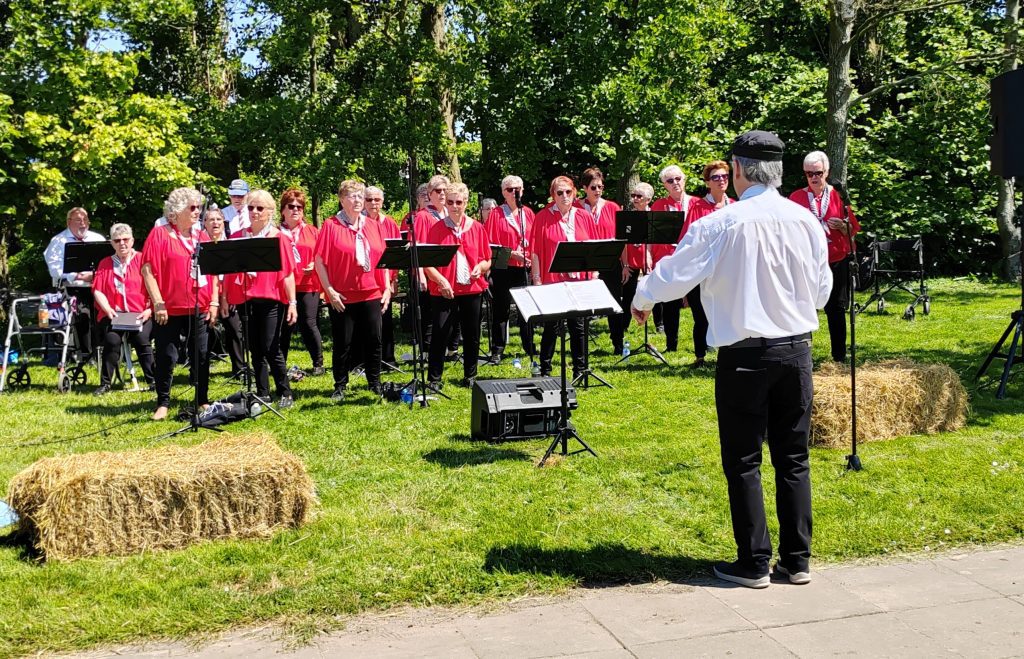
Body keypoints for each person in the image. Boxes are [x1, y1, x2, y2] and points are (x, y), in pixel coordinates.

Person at [632, 130, 832, 588]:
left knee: (744, 459)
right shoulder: (806, 221)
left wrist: (643, 299)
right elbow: (822, 292)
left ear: (738, 170)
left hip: (745, 356)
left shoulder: (722, 223)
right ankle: (797, 559)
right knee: (793, 457)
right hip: (797, 350)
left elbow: (675, 274)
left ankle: (754, 561)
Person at [141, 187, 219, 421]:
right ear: (176, 212)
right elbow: (147, 270)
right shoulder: (160, 234)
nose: (198, 212)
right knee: (166, 355)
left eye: (198, 207)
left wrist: (214, 301)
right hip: (169, 307)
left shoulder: (201, 236)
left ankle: (202, 399)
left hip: (199, 306)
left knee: (202, 353)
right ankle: (163, 402)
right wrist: (158, 302)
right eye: (192, 208)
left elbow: (213, 271)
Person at [314, 180, 390, 403]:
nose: (357, 200)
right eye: (352, 196)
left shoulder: (373, 225)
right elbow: (319, 261)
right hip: (343, 294)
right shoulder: (331, 225)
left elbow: (383, 258)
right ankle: (340, 384)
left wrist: (386, 287)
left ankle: (374, 382)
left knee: (375, 339)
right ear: (341, 199)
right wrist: (329, 290)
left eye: (360, 196)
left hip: (371, 292)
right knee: (343, 341)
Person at [221, 189, 298, 409]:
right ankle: (263, 392)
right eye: (251, 207)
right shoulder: (238, 237)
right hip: (245, 299)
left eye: (260, 208)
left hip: (271, 299)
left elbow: (288, 273)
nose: (254, 212)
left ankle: (285, 392)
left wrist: (292, 303)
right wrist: (225, 298)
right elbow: (227, 272)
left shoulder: (278, 238)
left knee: (271, 347)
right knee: (254, 348)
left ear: (270, 212)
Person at [789, 151, 861, 363]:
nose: (814, 177)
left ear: (827, 172)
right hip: (807, 262)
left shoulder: (837, 195)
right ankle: (803, 355)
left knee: (836, 308)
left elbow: (853, 227)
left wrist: (843, 225)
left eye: (818, 173)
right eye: (809, 173)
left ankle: (839, 356)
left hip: (836, 259)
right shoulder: (796, 197)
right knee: (804, 307)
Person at [424, 182, 492, 387]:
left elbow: (487, 259)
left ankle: (470, 376)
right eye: (451, 202)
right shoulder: (436, 228)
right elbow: (427, 263)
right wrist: (441, 280)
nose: (454, 206)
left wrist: (480, 268)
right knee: (440, 333)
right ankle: (434, 379)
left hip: (471, 289)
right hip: (444, 290)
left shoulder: (477, 227)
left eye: (459, 202)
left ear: (466, 203)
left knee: (471, 334)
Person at [530, 176, 594, 378]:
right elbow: (535, 251)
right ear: (553, 195)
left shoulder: (583, 216)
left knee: (578, 326)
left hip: (579, 280)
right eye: (559, 193)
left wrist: (594, 275)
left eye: (568, 192)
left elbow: (593, 246)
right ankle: (545, 370)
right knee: (552, 326)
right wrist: (537, 279)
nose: (564, 196)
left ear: (574, 192)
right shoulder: (542, 217)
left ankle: (580, 369)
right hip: (553, 280)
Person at [677, 160, 736, 367]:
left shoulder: (736, 206)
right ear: (707, 182)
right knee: (701, 316)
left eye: (724, 176)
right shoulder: (698, 206)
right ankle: (700, 355)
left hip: (728, 270)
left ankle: (728, 353)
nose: (721, 181)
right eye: (716, 177)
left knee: (727, 313)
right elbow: (688, 240)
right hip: (702, 270)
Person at [90, 223, 155, 394]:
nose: (122, 243)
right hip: (114, 314)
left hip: (141, 313)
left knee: (141, 339)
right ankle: (105, 383)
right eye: (117, 240)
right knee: (112, 341)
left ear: (132, 240)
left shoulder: (143, 260)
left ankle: (153, 380)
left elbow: (155, 287)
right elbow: (98, 290)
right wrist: (108, 309)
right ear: (112, 243)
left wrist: (150, 310)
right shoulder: (105, 263)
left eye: (125, 239)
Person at [43, 207, 106, 361]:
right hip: (72, 288)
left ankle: (104, 352)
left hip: (98, 286)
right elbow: (55, 269)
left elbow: (109, 264)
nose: (82, 223)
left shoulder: (97, 238)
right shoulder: (58, 241)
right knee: (82, 315)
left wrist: (95, 275)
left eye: (85, 220)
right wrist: (77, 276)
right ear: (68, 222)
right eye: (78, 220)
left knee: (105, 314)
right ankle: (86, 354)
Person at [486, 175, 535, 363]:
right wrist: (513, 254)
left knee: (526, 309)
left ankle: (529, 344)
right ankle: (497, 349)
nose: (514, 193)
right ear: (503, 193)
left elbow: (536, 240)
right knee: (501, 310)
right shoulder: (497, 215)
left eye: (517, 189)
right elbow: (491, 245)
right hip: (504, 268)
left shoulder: (528, 213)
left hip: (525, 268)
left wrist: (529, 257)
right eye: (509, 189)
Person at [650, 165, 698, 354]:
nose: (675, 183)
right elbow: (652, 236)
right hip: (669, 261)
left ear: (684, 179)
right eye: (670, 181)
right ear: (664, 185)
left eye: (678, 179)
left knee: (699, 304)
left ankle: (704, 345)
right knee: (670, 305)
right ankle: (671, 344)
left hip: (693, 260)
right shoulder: (659, 206)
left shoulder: (696, 203)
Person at [278, 188, 325, 376]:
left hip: (308, 284)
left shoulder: (312, 231)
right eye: (291, 206)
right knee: (284, 326)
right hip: (282, 285)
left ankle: (318, 363)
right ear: (283, 210)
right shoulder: (276, 233)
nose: (296, 210)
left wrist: (314, 263)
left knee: (308, 323)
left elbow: (322, 255)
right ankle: (280, 364)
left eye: (300, 207)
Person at [578, 167, 624, 354]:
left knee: (615, 304)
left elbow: (622, 239)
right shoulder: (576, 208)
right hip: (585, 262)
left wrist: (626, 265)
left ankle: (618, 343)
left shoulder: (612, 207)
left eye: (600, 187)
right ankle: (581, 347)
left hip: (610, 262)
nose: (597, 191)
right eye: (593, 187)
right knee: (584, 306)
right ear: (584, 188)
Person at [202, 206, 246, 378]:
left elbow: (232, 274)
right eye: (211, 220)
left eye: (219, 219)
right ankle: (199, 371)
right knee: (204, 332)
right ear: (204, 223)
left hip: (228, 293)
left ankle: (240, 368)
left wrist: (226, 297)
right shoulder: (199, 246)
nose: (215, 223)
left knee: (235, 330)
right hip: (206, 296)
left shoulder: (230, 244)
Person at [364, 185, 401, 365]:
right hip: (365, 281)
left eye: (376, 199)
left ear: (382, 202)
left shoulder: (390, 223)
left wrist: (394, 279)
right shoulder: (358, 222)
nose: (373, 203)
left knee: (386, 320)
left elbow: (396, 253)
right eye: (369, 199)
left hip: (385, 280)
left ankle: (388, 358)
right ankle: (364, 360)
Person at [618, 182, 655, 338]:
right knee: (628, 294)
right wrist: (625, 265)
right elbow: (623, 243)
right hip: (631, 260)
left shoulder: (654, 216)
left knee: (653, 292)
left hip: (649, 261)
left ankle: (658, 324)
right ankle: (624, 324)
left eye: (639, 196)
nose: (635, 199)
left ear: (648, 199)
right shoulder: (628, 217)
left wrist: (650, 258)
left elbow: (656, 241)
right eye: (633, 195)